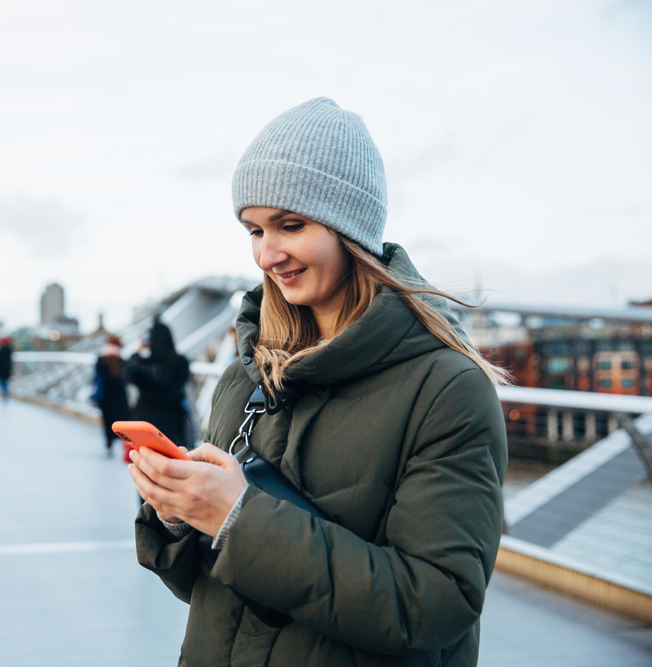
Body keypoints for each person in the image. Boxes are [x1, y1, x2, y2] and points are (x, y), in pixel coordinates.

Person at [129, 98, 509, 667]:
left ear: (349, 227)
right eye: (254, 229)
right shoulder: (246, 374)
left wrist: (239, 518)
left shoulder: (447, 390)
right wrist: (180, 512)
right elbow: (209, 593)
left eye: (291, 225)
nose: (267, 254)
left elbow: (435, 605)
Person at [125, 320, 191, 454]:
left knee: (146, 463)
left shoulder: (142, 363)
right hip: (173, 421)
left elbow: (127, 374)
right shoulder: (181, 362)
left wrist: (136, 352)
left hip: (146, 422)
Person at [93, 335, 130, 456]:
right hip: (120, 396)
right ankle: (123, 442)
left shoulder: (101, 359)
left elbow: (96, 378)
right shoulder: (122, 360)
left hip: (105, 396)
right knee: (121, 420)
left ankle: (108, 443)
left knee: (107, 420)